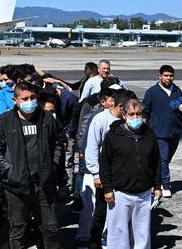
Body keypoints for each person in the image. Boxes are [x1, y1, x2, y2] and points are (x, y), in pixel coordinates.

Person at [0, 82, 65, 249]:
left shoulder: (47, 119)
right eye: (25, 98)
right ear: (15, 100)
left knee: (50, 230)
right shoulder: (5, 121)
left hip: (44, 186)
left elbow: (59, 143)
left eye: (32, 97)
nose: (29, 101)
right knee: (18, 231)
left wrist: (54, 165)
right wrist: (8, 170)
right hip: (16, 187)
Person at [100, 98, 162, 249]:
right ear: (124, 115)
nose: (135, 118)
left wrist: (158, 185)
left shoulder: (149, 135)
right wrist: (107, 188)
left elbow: (156, 162)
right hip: (120, 193)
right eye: (132, 114)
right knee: (118, 232)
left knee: (142, 233)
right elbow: (105, 163)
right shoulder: (113, 135)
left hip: (144, 192)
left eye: (138, 114)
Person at [77, 89, 128, 249]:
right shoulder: (100, 119)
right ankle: (87, 237)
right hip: (98, 172)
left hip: (117, 173)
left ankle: (108, 237)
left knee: (114, 208)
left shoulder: (125, 121)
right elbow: (91, 146)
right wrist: (96, 173)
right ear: (120, 106)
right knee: (93, 208)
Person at [142, 64, 182, 198]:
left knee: (166, 159)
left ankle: (157, 179)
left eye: (171, 76)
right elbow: (145, 112)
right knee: (163, 159)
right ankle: (165, 185)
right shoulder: (152, 92)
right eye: (166, 76)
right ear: (159, 76)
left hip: (174, 132)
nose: (168, 78)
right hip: (158, 132)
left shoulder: (177, 91)